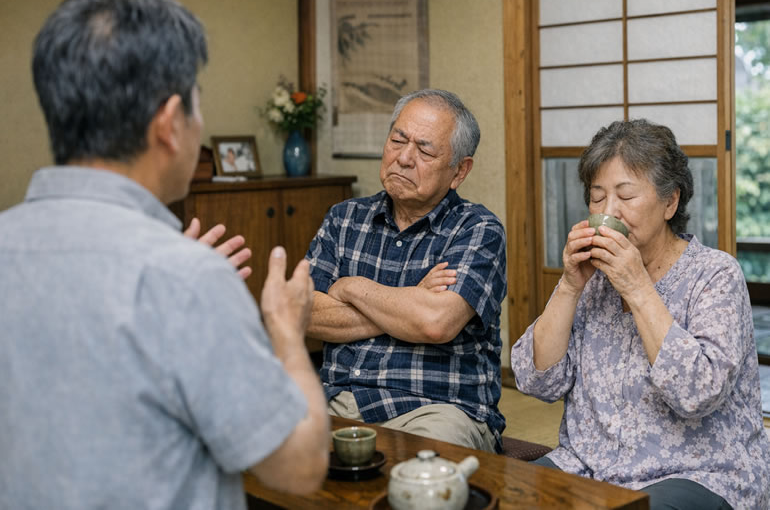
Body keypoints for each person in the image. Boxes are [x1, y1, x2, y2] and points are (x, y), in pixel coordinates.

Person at [0, 0, 328, 510]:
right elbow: (299, 466)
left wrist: (177, 279)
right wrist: (287, 330)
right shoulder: (184, 278)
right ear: (170, 123)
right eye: (197, 105)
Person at [510, 119, 770, 509]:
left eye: (626, 195)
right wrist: (569, 285)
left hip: (697, 472)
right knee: (507, 494)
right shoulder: (593, 279)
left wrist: (636, 286)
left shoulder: (715, 275)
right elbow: (536, 381)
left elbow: (697, 393)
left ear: (670, 202)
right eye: (597, 197)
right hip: (587, 464)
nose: (608, 211)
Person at [305, 88, 507, 453]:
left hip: (437, 409)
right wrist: (411, 301)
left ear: (459, 171)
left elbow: (435, 323)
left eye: (425, 151)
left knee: (422, 471)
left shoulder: (478, 230)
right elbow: (305, 314)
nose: (403, 158)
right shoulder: (343, 218)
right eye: (397, 140)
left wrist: (352, 288)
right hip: (338, 401)